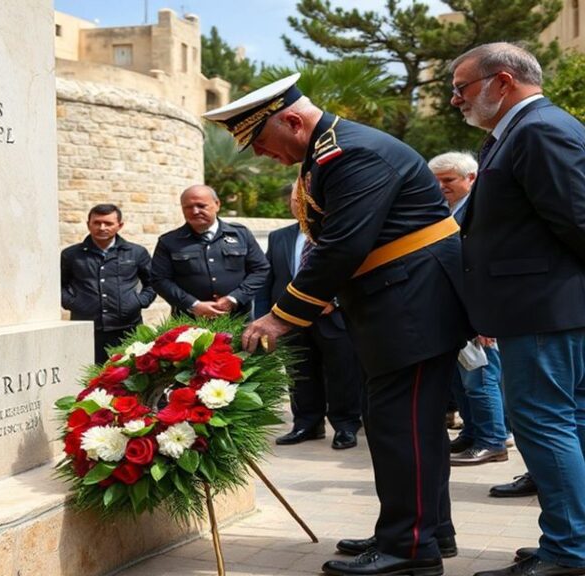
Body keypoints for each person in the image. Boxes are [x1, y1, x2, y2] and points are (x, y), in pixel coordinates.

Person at [205, 73, 470, 576]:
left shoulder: (351, 154)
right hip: (400, 303)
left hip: (411, 305)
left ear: (291, 120)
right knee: (411, 426)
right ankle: (423, 530)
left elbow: (342, 246)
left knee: (401, 428)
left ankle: (409, 550)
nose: (261, 156)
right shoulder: (331, 153)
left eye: (260, 142)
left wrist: (282, 317)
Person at [450, 42, 585, 576]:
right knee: (564, 424)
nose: (456, 100)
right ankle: (571, 539)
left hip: (543, 311)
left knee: (544, 425)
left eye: (461, 88)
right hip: (544, 308)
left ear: (501, 82)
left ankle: (569, 551)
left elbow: (578, 220)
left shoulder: (539, 130)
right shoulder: (518, 133)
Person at [255, 182, 363, 449]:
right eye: (295, 199)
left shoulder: (338, 234)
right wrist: (264, 318)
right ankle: (306, 423)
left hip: (334, 318)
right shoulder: (279, 236)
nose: (300, 204)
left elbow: (355, 271)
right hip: (289, 320)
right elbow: (269, 278)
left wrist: (335, 300)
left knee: (342, 375)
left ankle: (345, 426)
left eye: (306, 198)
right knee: (299, 374)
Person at [428, 152, 509, 466]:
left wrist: (484, 316)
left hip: (479, 314)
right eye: (436, 181)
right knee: (462, 381)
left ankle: (492, 441)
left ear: (470, 178)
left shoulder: (481, 211)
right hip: (456, 313)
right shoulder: (448, 211)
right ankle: (473, 433)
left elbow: (484, 267)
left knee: (481, 378)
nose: (441, 186)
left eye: (448, 180)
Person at [151, 184, 269, 319]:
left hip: (237, 319)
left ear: (217, 204)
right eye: (188, 207)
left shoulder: (240, 235)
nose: (195, 211)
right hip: (189, 322)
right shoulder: (169, 241)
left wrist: (235, 298)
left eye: (201, 206)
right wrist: (193, 305)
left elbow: (261, 269)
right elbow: (159, 280)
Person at [60, 204, 156, 364]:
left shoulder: (136, 252)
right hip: (86, 328)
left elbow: (153, 282)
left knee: (128, 375)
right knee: (89, 375)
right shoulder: (71, 255)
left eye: (108, 223)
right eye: (97, 223)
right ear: (88, 224)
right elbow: (58, 286)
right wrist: (73, 303)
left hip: (128, 327)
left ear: (120, 225)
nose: (102, 227)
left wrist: (139, 302)